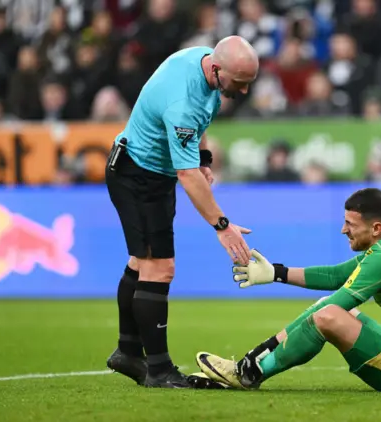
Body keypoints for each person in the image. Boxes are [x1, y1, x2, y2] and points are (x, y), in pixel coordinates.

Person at [105, 36, 258, 389]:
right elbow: (186, 175)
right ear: (217, 70)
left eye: (249, 82)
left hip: (149, 174)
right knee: (159, 269)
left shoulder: (202, 62)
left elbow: (199, 128)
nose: (245, 91)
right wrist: (223, 227)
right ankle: (158, 370)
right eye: (240, 83)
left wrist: (203, 157)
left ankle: (128, 351)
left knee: (140, 264)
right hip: (137, 176)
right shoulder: (183, 101)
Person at [196, 188, 381, 392]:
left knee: (327, 315)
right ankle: (247, 370)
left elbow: (332, 304)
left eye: (350, 224)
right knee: (333, 310)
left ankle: (249, 372)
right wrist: (277, 273)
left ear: (375, 228)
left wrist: (260, 350)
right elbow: (337, 276)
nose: (344, 230)